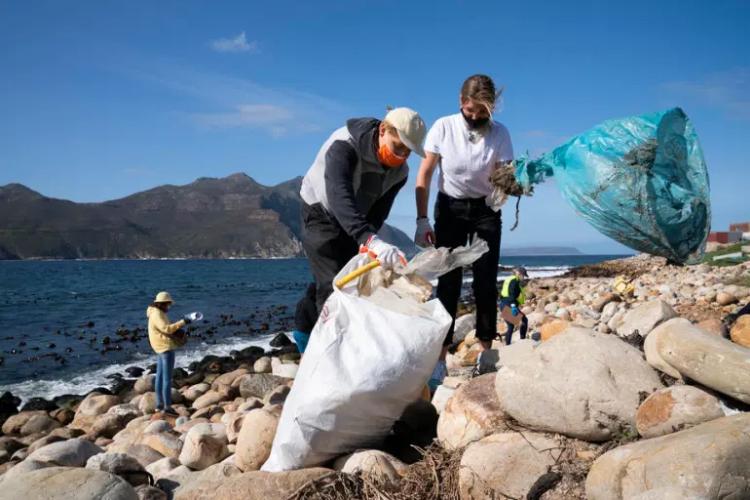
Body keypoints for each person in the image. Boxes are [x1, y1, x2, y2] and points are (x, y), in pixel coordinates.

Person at [291, 108, 427, 351]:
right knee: (332, 283)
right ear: (383, 130)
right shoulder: (344, 145)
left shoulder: (401, 172)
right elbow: (338, 196)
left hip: (356, 220)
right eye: (398, 146)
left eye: (408, 151)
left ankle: (304, 328)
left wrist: (370, 241)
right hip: (320, 210)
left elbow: (378, 210)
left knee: (348, 275)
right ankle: (328, 354)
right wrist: (369, 239)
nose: (402, 155)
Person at [414, 74, 514, 384]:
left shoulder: (500, 133)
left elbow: (505, 176)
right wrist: (421, 220)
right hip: (450, 210)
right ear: (461, 102)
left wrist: (508, 188)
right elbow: (426, 174)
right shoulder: (444, 127)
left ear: (492, 109)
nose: (475, 118)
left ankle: (486, 350)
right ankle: (441, 356)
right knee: (448, 284)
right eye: (470, 111)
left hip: (486, 211)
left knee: (485, 282)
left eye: (482, 113)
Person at [147, 291, 201, 416]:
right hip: (165, 347)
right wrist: (184, 321)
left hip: (159, 347)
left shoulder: (154, 312)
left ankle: (159, 405)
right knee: (166, 379)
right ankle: (167, 407)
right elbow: (166, 329)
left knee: (159, 378)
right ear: (162, 304)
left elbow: (163, 328)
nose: (169, 307)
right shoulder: (157, 314)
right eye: (168, 304)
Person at [500, 267, 529, 345]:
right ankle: (522, 340)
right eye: (523, 276)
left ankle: (508, 344)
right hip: (508, 305)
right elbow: (511, 294)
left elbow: (505, 294)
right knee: (523, 321)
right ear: (519, 274)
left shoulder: (510, 279)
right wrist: (513, 306)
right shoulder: (514, 281)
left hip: (504, 304)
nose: (523, 278)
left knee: (511, 326)